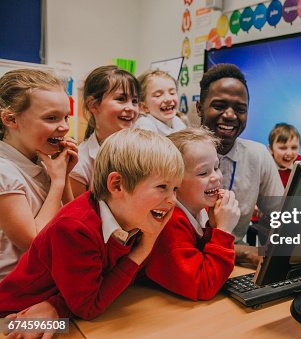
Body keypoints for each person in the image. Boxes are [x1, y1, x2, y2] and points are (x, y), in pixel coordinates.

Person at [0, 128, 184, 324]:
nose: (172, 200)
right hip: (14, 318)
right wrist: (145, 247)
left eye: (175, 189)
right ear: (117, 185)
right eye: (162, 187)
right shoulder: (74, 228)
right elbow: (89, 307)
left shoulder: (138, 217)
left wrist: (57, 306)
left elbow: (115, 282)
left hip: (66, 313)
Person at [197, 64, 284, 266]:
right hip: (191, 264)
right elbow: (178, 243)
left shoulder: (258, 155)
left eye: (240, 109)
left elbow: (281, 218)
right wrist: (245, 253)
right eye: (219, 106)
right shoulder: (174, 153)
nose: (230, 115)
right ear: (199, 107)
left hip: (235, 267)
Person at [0, 69, 78, 280]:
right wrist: (58, 182)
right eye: (51, 118)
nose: (64, 127)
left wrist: (64, 177)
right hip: (12, 295)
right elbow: (34, 241)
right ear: (10, 119)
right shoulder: (4, 171)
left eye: (65, 117)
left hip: (42, 281)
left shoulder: (41, 159)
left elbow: (72, 225)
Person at [145, 127, 239, 300]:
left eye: (216, 167)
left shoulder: (195, 210)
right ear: (174, 182)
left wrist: (213, 225)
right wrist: (224, 230)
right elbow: (202, 286)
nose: (216, 177)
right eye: (203, 172)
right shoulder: (170, 222)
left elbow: (200, 259)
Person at [69, 65, 140, 197]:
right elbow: (78, 215)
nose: (131, 108)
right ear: (93, 105)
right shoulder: (80, 164)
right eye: (121, 99)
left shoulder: (144, 148)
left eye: (135, 101)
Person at [134, 70, 187, 136]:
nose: (168, 99)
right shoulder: (143, 126)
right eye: (158, 95)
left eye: (172, 93)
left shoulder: (178, 121)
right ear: (144, 107)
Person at [268, 123, 301, 187]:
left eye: (294, 148)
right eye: (283, 148)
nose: (289, 153)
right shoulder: (266, 166)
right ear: (271, 149)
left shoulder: (299, 162)